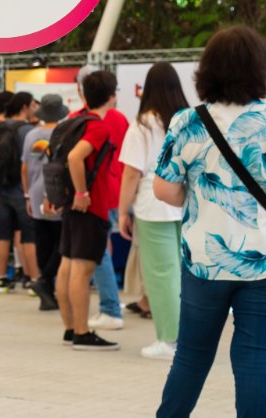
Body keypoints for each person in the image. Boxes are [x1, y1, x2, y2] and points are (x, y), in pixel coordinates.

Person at [154, 26, 266, 417]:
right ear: (261, 69)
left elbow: (165, 190)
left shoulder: (187, 122)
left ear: (206, 69)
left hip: (204, 259)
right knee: (255, 354)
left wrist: (196, 196)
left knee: (191, 356)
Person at [116, 63, 188, 360]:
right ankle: (188, 339)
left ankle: (170, 341)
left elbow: (132, 173)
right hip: (185, 204)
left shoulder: (142, 125)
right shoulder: (187, 121)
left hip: (153, 205)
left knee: (161, 276)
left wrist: (122, 212)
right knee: (185, 274)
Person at [55, 70, 120, 351]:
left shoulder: (74, 120)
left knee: (67, 266)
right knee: (81, 271)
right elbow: (73, 157)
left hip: (70, 205)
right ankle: (82, 332)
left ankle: (71, 328)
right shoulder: (98, 126)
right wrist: (83, 192)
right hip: (89, 206)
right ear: (111, 96)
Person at [76, 65, 126, 330]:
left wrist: (80, 192)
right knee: (102, 249)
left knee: (98, 253)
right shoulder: (118, 117)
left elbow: (73, 159)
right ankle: (111, 305)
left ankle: (110, 308)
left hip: (94, 195)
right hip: (115, 191)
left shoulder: (82, 119)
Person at [0, 91, 38, 293]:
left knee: (3, 235)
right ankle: (33, 280)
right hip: (22, 193)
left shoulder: (0, 127)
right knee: (27, 236)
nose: (34, 109)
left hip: (1, 191)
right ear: (24, 107)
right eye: (33, 105)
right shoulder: (28, 131)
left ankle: (1, 279)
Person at [23, 94, 69, 310]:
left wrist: (27, 194)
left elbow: (24, 167)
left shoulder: (31, 134)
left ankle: (46, 291)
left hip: (34, 192)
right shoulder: (65, 132)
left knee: (43, 242)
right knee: (62, 243)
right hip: (57, 193)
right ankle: (45, 282)